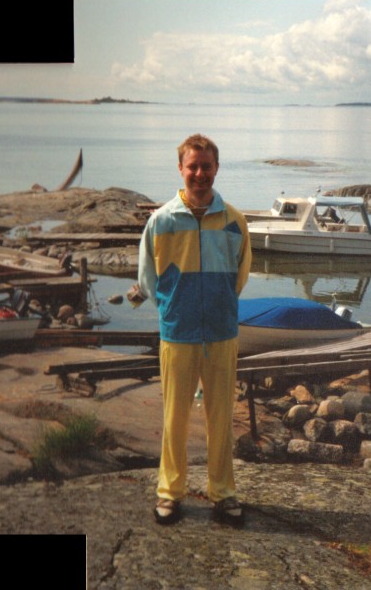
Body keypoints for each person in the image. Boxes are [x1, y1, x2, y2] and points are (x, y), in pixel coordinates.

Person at [129, 134, 252, 526]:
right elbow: (147, 279)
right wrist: (173, 310)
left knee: (221, 419)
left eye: (206, 166)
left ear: (216, 168)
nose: (200, 174)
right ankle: (170, 493)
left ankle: (224, 494)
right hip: (178, 333)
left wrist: (218, 305)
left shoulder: (234, 221)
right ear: (181, 169)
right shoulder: (161, 221)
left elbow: (240, 274)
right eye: (192, 166)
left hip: (221, 333)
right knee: (174, 419)